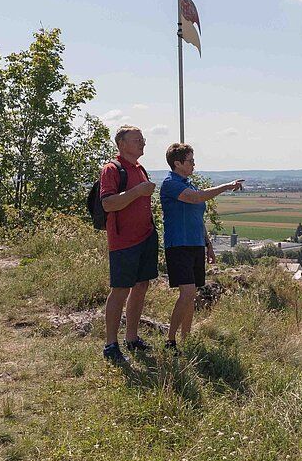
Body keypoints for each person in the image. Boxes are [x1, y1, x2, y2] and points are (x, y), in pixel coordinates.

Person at [160, 143, 243, 352]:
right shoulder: (171, 184)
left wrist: (208, 245)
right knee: (187, 293)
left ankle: (186, 339)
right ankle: (170, 340)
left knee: (192, 294)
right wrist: (225, 187)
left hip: (195, 243)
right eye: (190, 161)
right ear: (177, 163)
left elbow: (197, 217)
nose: (194, 164)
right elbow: (196, 199)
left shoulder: (190, 184)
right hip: (179, 245)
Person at [99, 126, 158, 363]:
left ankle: (131, 338)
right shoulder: (112, 169)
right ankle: (111, 345)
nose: (142, 143)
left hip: (145, 237)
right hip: (123, 240)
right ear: (121, 144)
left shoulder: (140, 168)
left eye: (143, 139)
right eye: (136, 140)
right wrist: (137, 191)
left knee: (141, 286)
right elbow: (108, 204)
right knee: (121, 289)